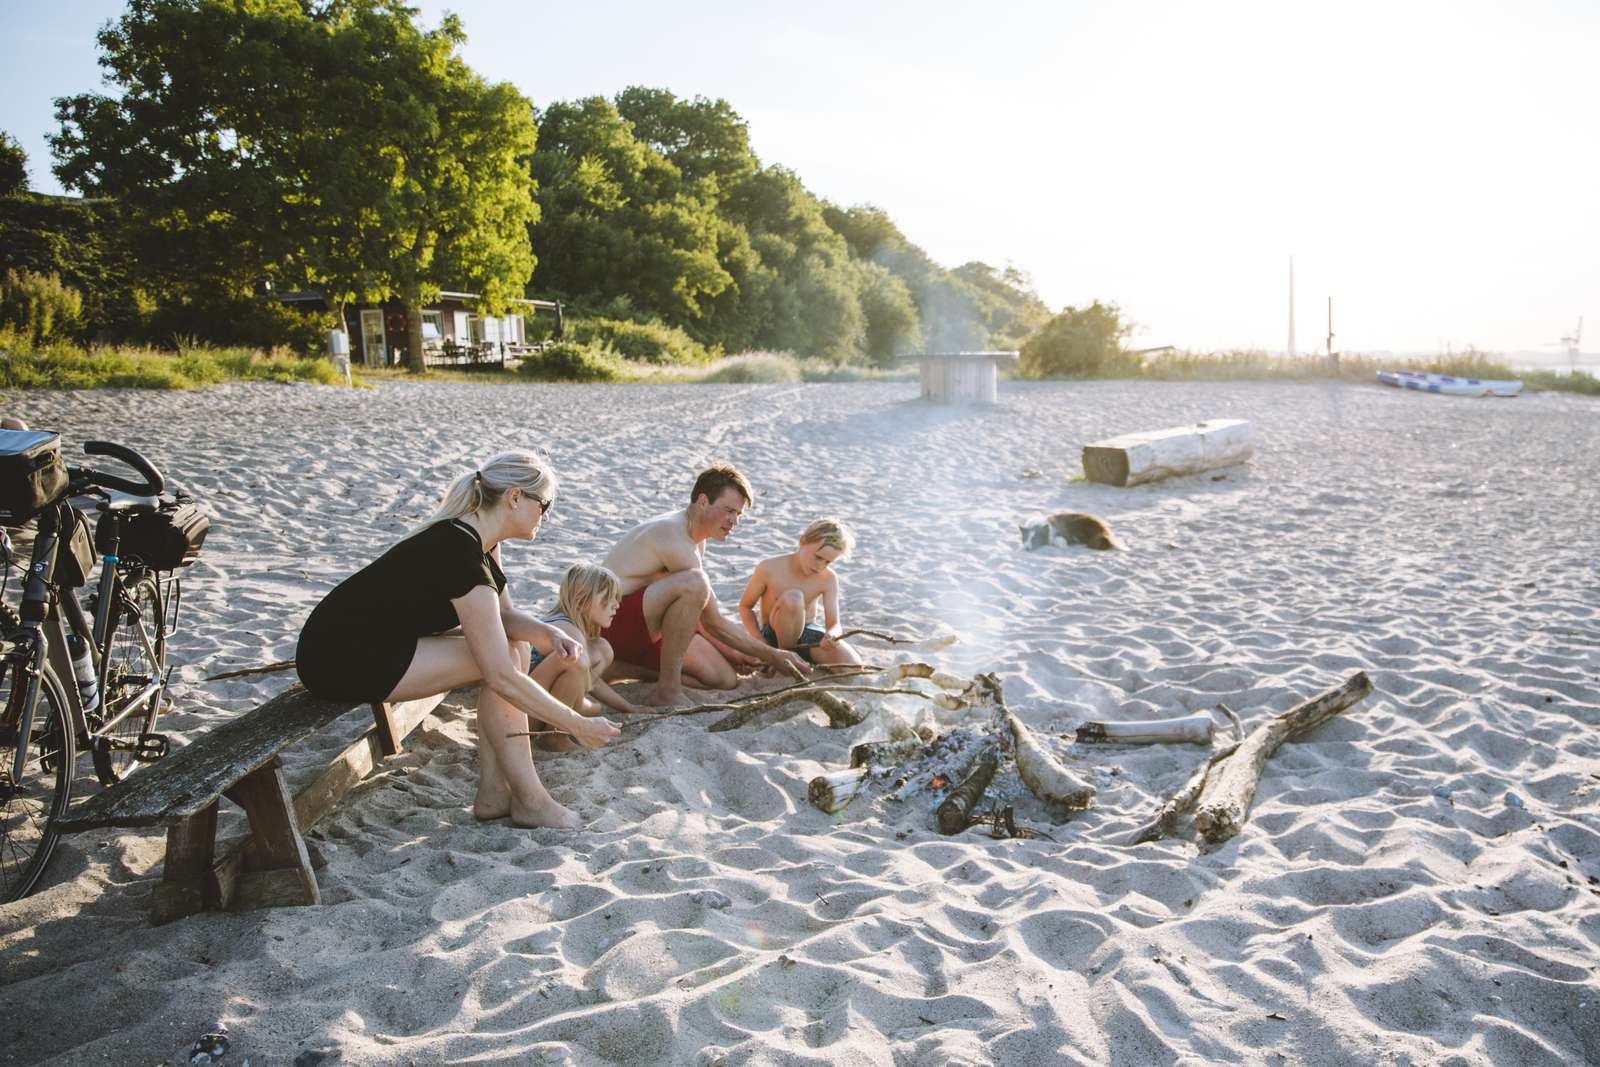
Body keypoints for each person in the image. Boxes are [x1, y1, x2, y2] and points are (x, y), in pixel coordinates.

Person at [295, 451, 619, 830]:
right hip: (339, 658)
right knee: (505, 662)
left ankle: (496, 793)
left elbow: (503, 616)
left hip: (364, 642)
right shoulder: (462, 556)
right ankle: (530, 800)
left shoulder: (479, 541)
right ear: (515, 498)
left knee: (516, 648)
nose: (545, 517)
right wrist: (575, 723)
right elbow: (499, 676)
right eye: (544, 505)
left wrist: (547, 631)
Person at [600, 465, 808, 706]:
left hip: (645, 624)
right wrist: (773, 654)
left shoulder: (696, 536)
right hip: (610, 623)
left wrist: (737, 653)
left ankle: (622, 670)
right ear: (702, 501)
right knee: (695, 583)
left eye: (738, 514)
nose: (733, 522)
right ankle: (668, 690)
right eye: (729, 510)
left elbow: (696, 609)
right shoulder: (672, 535)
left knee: (724, 679)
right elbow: (712, 620)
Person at [532, 563, 653, 731]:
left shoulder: (569, 624)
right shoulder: (567, 630)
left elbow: (590, 681)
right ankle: (555, 737)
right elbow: (578, 672)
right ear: (581, 602)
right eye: (608, 598)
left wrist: (627, 707)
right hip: (527, 711)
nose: (616, 605)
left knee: (602, 649)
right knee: (578, 670)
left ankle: (575, 708)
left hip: (538, 704)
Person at [738, 517, 863, 670]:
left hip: (806, 635)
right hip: (772, 636)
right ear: (803, 541)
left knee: (853, 666)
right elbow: (745, 607)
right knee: (794, 599)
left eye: (827, 562)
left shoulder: (828, 578)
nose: (820, 566)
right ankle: (785, 659)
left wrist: (832, 635)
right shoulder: (769, 568)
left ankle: (796, 657)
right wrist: (760, 642)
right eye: (818, 557)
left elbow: (834, 624)